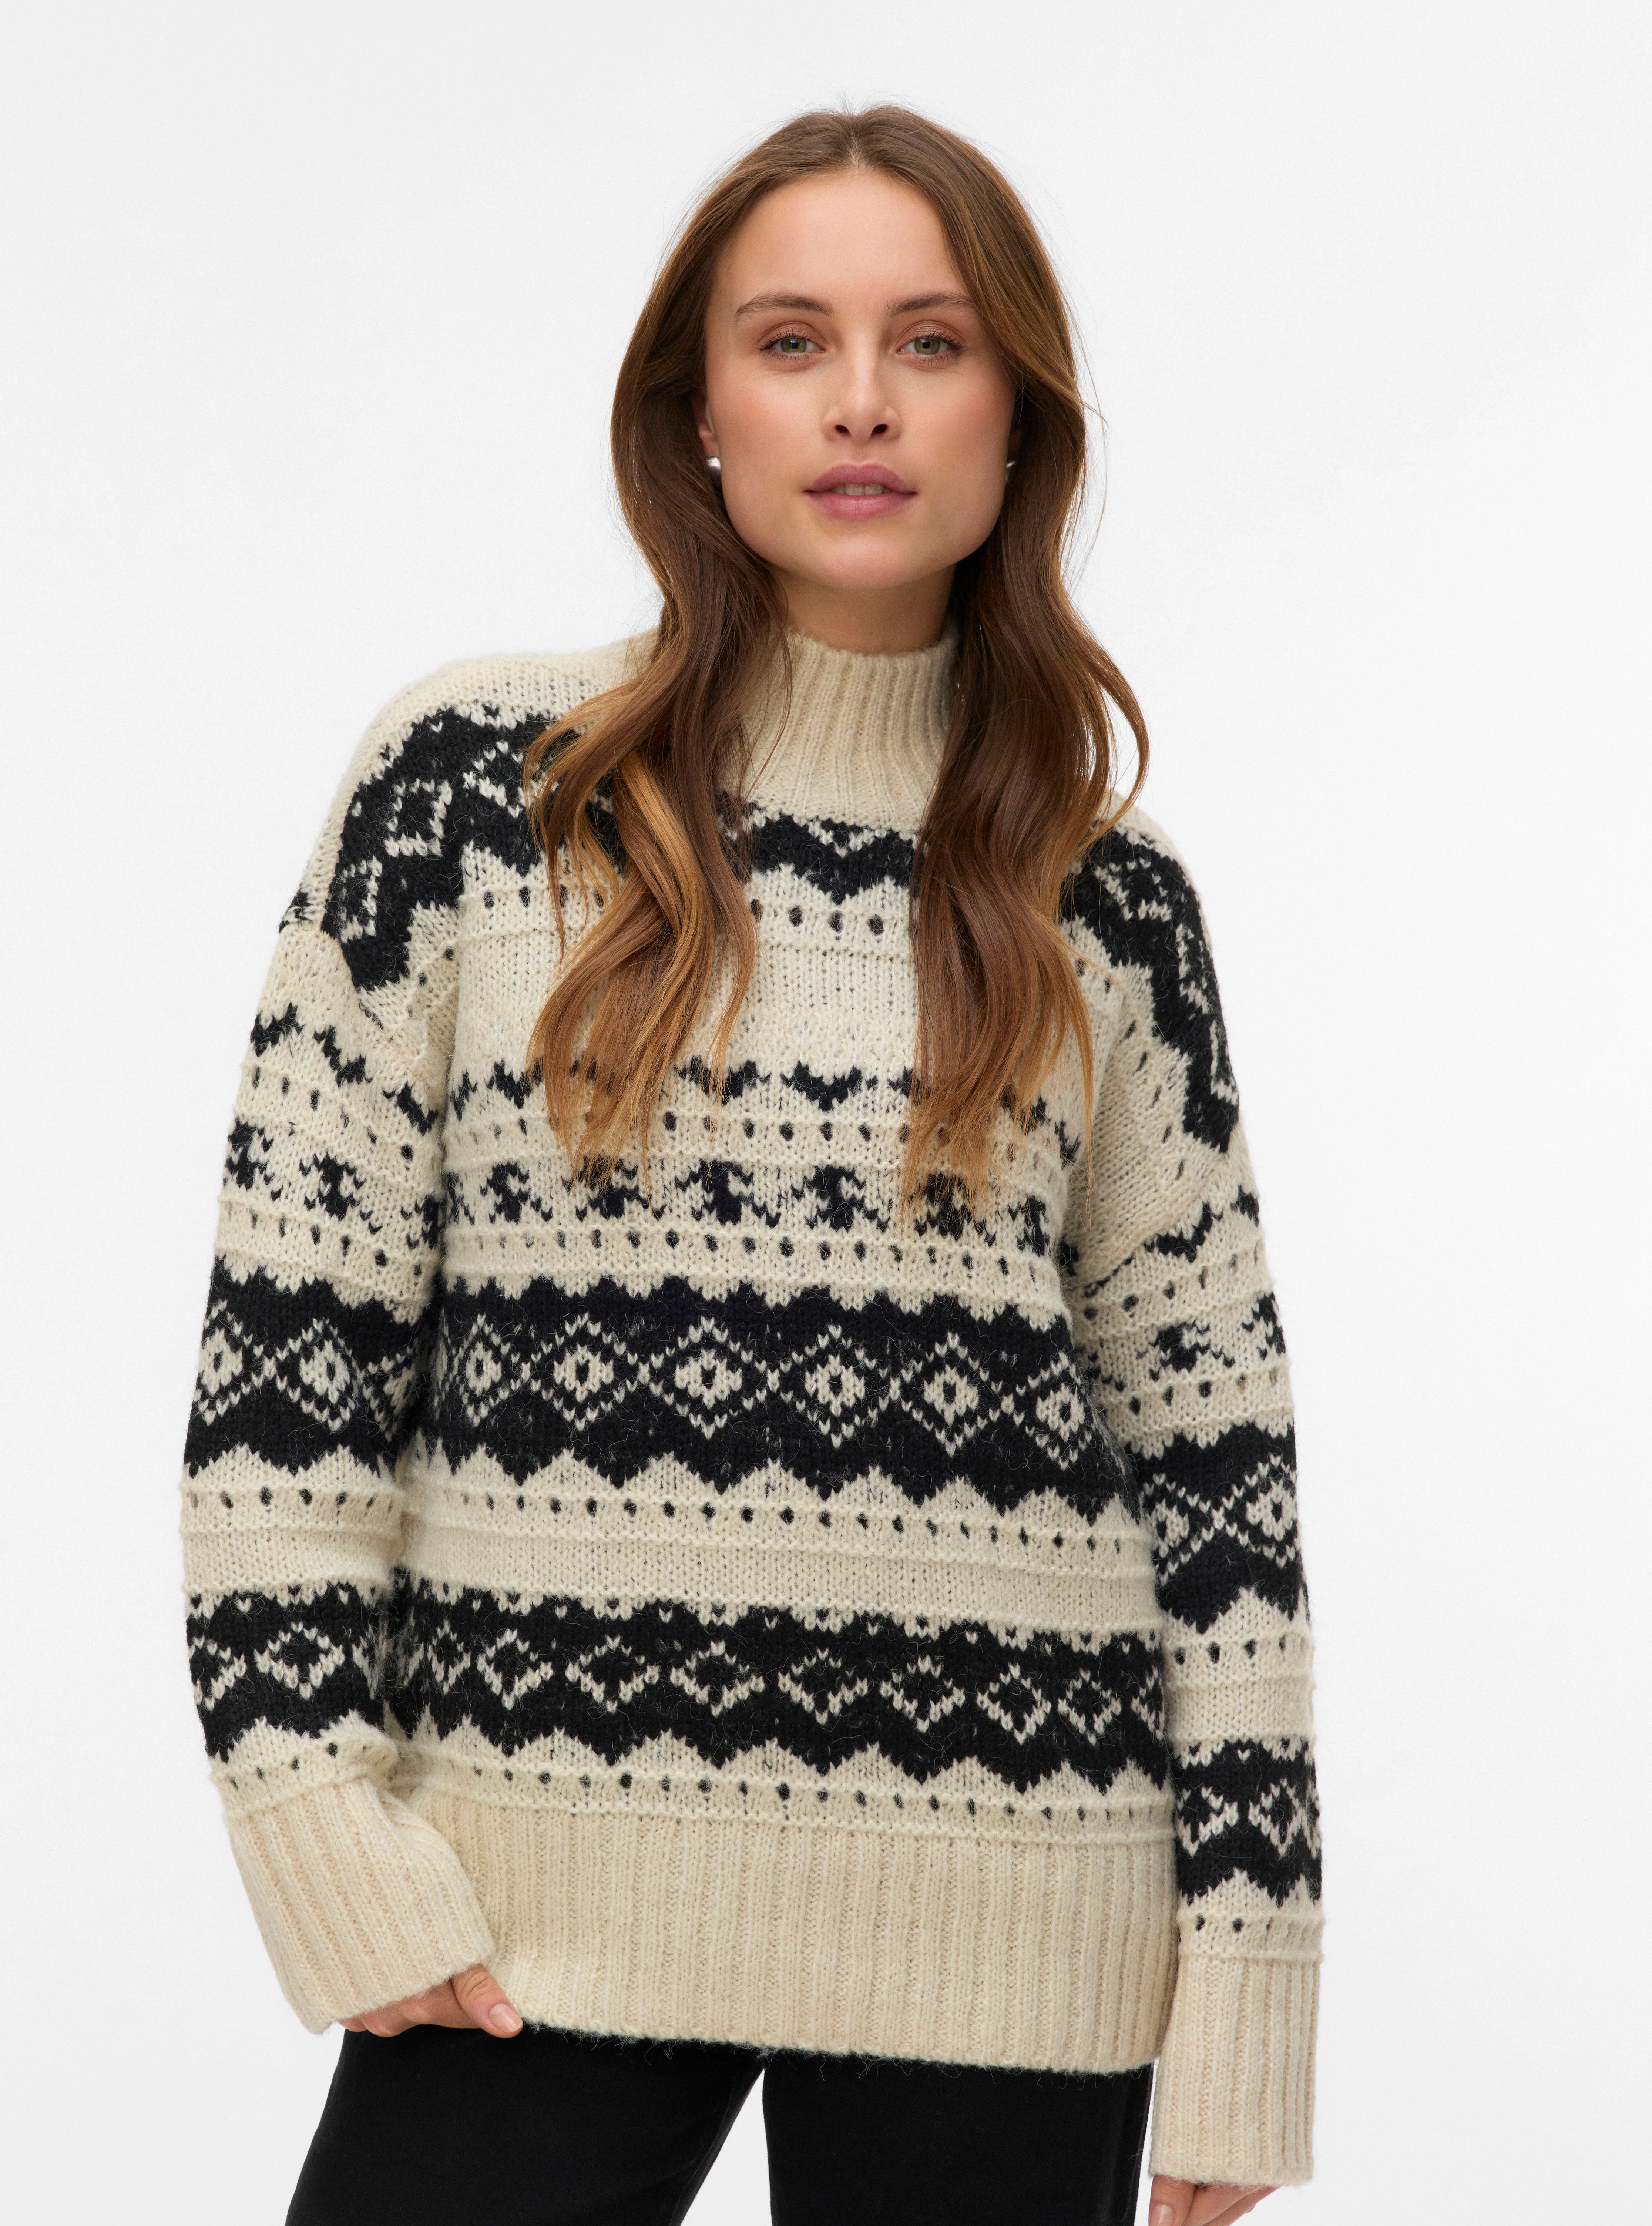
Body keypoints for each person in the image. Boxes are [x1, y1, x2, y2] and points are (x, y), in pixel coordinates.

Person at [179, 104, 1322, 2226]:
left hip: (1018, 1920)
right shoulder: (473, 793)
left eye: (932, 343)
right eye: (792, 341)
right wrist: (315, 1824)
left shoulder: (1103, 892)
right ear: (697, 410)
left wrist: (1253, 1994)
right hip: (524, 1899)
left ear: (1016, 418)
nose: (863, 402)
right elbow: (288, 1372)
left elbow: (1214, 1460)